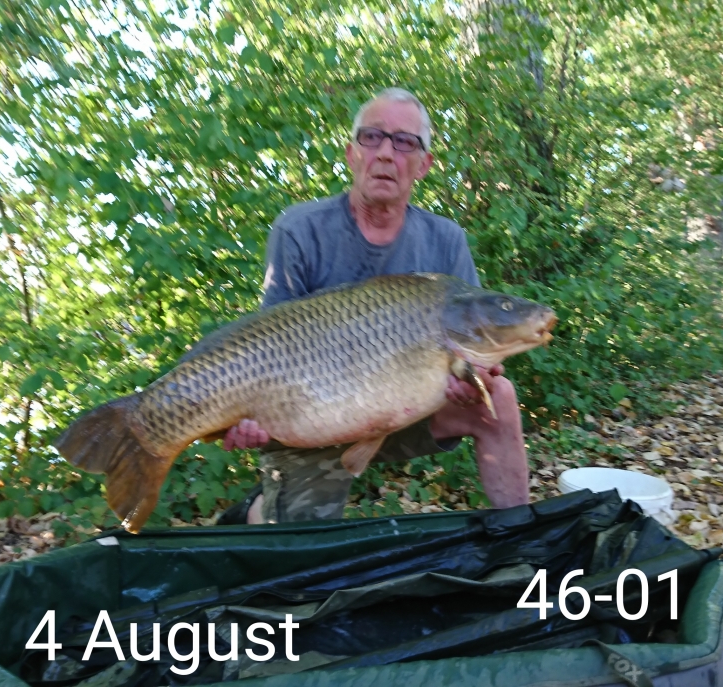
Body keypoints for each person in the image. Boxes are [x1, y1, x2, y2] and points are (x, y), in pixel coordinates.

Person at [218, 87, 529, 525]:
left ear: (424, 165)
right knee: (303, 560)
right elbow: (266, 351)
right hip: (315, 417)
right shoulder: (299, 230)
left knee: (498, 396)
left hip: (408, 407)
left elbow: (470, 348)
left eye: (405, 142)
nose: (386, 153)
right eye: (372, 137)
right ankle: (256, 511)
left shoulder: (446, 240)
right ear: (351, 154)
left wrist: (471, 376)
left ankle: (524, 539)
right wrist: (245, 414)